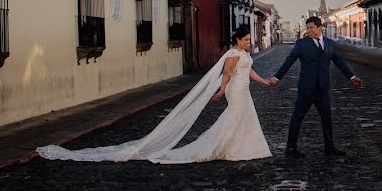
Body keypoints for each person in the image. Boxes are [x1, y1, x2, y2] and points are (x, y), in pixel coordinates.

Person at [36, 25, 272, 163]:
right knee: (234, 116)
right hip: (234, 89)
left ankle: (241, 146)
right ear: (236, 40)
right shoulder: (232, 54)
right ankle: (222, 147)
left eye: (249, 40)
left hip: (245, 89)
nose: (248, 43)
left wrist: (264, 82)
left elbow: (249, 72)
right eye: (245, 40)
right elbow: (227, 74)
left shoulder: (244, 55)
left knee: (244, 116)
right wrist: (221, 91)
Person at [269, 16, 363, 158]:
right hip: (306, 88)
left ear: (320, 28)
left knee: (327, 118)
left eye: (311, 27)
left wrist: (351, 77)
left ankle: (330, 147)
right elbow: (289, 61)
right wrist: (277, 78)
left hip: (323, 88)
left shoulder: (329, 44)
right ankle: (291, 147)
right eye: (307, 28)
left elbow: (339, 62)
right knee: (297, 117)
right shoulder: (301, 44)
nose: (309, 30)